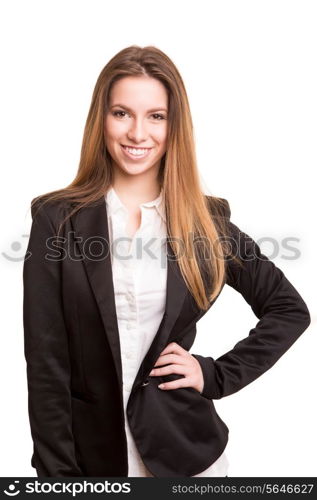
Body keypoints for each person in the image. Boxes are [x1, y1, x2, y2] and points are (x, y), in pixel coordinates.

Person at [23, 45, 311, 478]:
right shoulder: (57, 220)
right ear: (100, 119)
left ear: (175, 125)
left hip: (190, 459)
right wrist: (58, 479)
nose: (138, 133)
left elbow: (289, 309)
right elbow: (46, 362)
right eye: (122, 113)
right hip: (92, 462)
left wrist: (213, 375)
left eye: (156, 116)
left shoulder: (206, 222)